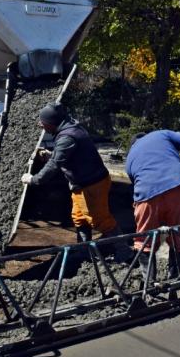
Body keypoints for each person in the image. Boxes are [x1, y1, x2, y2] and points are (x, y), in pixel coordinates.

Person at [21, 102, 131, 262]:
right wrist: (51, 154)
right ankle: (84, 250)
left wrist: (33, 179)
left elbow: (54, 165)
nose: (41, 127)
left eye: (43, 124)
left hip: (92, 185)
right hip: (82, 184)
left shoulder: (67, 137)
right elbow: (67, 155)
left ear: (51, 123)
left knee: (100, 220)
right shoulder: (70, 128)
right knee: (79, 217)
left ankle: (124, 251)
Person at [125, 130, 180, 279]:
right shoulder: (161, 134)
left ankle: (149, 284)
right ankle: (174, 279)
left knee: (145, 240)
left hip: (148, 194)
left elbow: (136, 183)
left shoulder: (129, 159)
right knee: (179, 236)